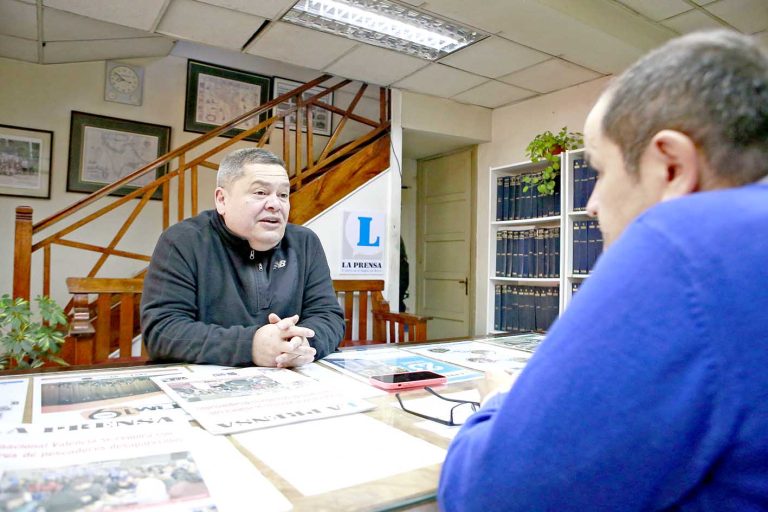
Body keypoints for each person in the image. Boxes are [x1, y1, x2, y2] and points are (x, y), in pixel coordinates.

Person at [439, 30, 768, 511]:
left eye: (599, 170)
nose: (591, 203)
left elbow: (489, 498)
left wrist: (499, 404)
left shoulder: (685, 242)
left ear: (671, 168)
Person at [141, 148, 344, 367]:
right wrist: (252, 346)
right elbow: (163, 331)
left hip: (290, 382)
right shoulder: (184, 241)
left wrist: (302, 343)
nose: (275, 204)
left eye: (283, 194)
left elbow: (328, 316)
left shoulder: (305, 242)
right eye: (260, 193)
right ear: (222, 200)